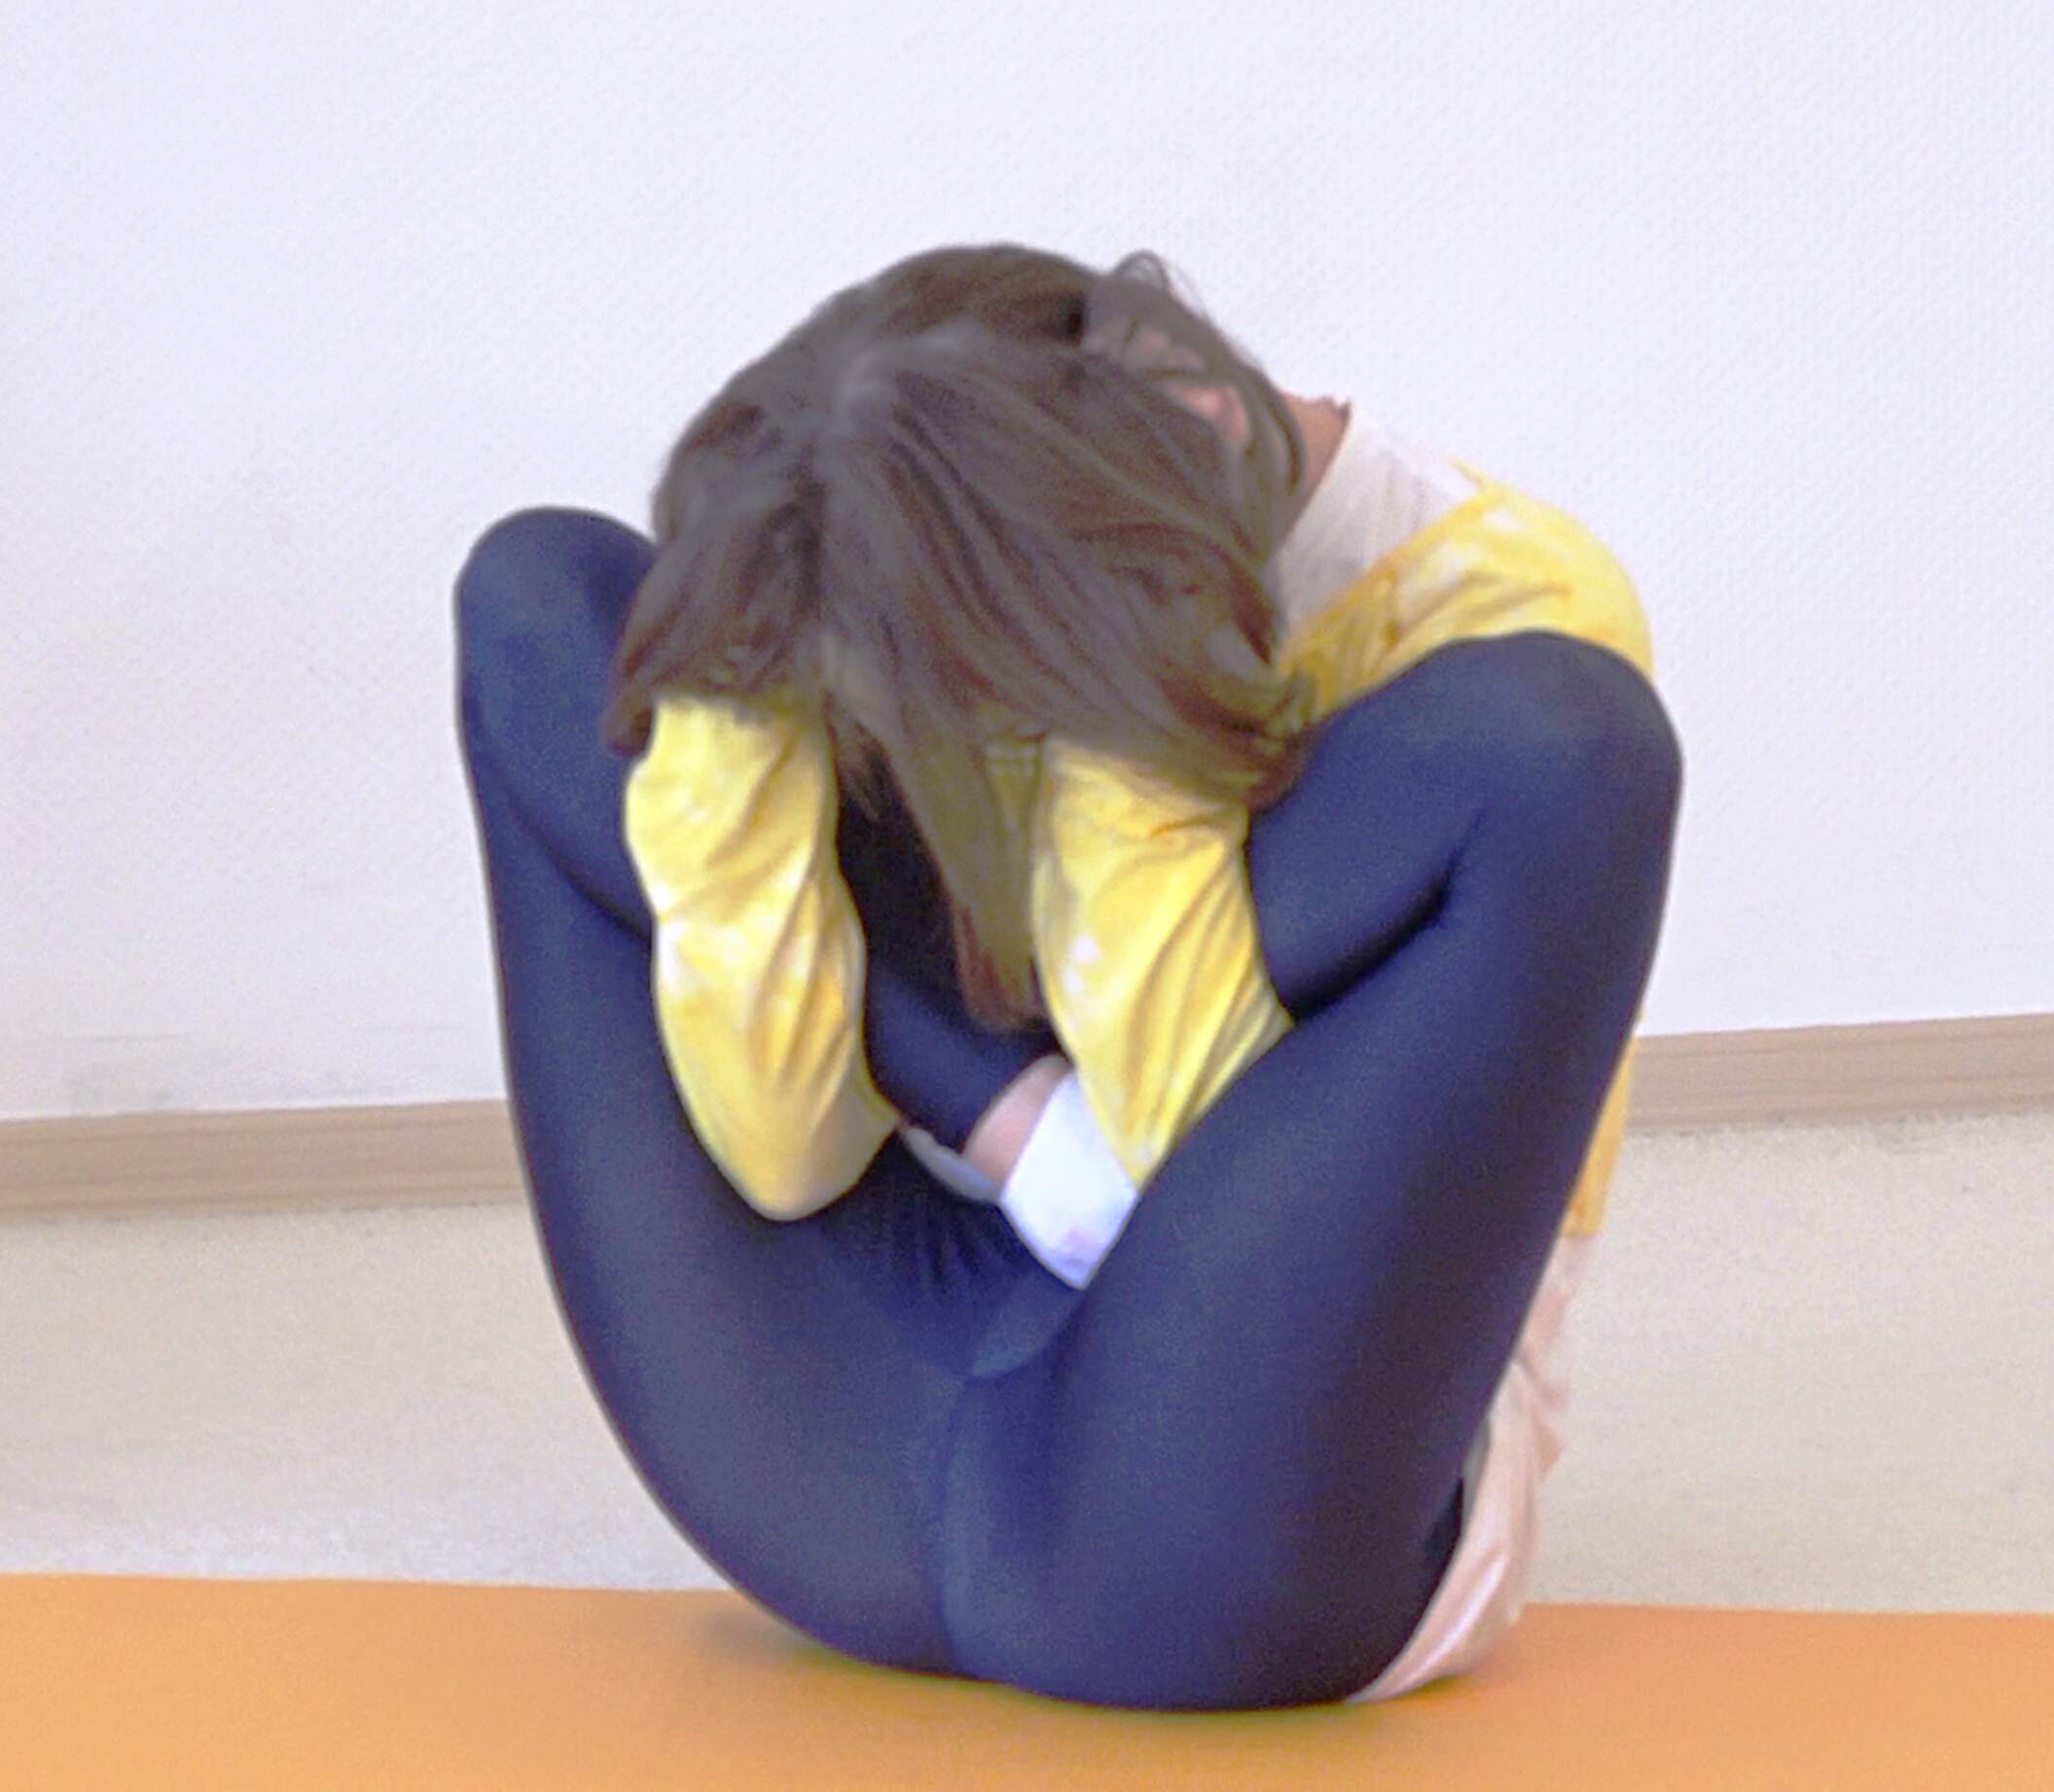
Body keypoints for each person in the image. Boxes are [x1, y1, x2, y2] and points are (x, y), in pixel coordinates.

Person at [451, 241, 1682, 1711]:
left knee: (1564, 744)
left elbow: (1184, 1157)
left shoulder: (1499, 603)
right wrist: (1009, 1118)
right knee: (544, 592)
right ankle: (1004, 1105)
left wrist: (1134, 694)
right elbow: (785, 1148)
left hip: (1216, 1518)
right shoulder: (933, 531)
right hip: (830, 1467)